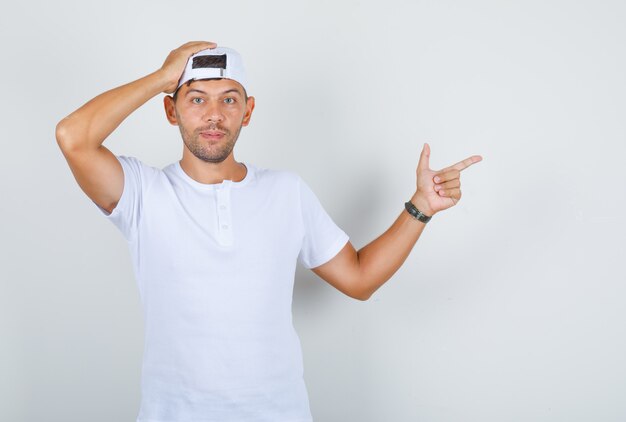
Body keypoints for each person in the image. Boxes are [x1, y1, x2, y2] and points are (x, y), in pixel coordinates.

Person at [55, 41, 482, 422]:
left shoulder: (286, 192)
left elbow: (358, 278)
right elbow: (73, 136)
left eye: (229, 100)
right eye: (196, 98)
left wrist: (421, 207)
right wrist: (162, 77)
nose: (213, 115)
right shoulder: (141, 192)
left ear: (249, 110)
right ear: (172, 109)